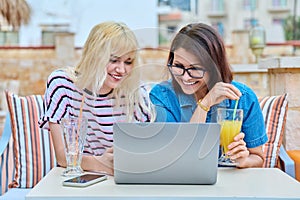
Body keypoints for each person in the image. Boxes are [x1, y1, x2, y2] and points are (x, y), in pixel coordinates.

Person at [39, 21, 155, 175]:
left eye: (128, 62)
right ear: (94, 55)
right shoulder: (62, 84)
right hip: (82, 177)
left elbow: (146, 153)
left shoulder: (136, 93)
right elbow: (62, 157)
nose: (121, 70)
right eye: (113, 60)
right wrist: (101, 164)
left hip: (122, 180)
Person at [150, 23, 268, 168]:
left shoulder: (243, 98)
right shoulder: (162, 97)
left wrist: (243, 161)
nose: (186, 78)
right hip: (179, 184)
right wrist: (205, 104)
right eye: (178, 66)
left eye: (196, 69)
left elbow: (258, 158)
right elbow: (178, 157)